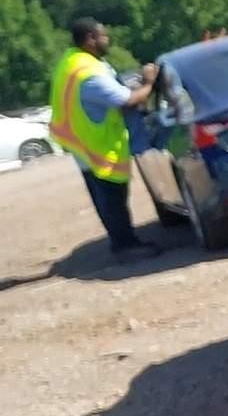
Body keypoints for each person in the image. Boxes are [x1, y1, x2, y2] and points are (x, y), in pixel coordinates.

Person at [46, 18, 159, 260]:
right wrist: (150, 82)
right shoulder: (89, 74)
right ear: (90, 40)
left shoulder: (73, 61)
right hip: (96, 144)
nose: (107, 39)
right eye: (103, 36)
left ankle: (125, 243)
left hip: (82, 141)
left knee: (105, 199)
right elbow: (126, 100)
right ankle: (125, 247)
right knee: (113, 199)